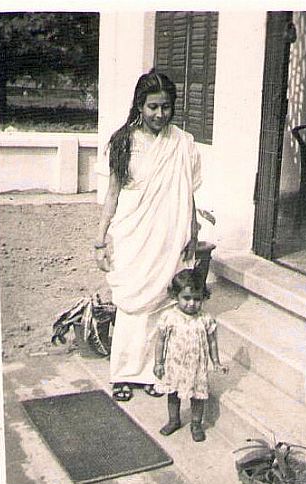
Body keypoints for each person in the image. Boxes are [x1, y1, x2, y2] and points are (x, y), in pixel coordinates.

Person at [95, 69, 201, 402]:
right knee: (131, 302)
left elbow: (190, 193)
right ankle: (124, 374)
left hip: (170, 234)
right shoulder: (123, 141)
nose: (159, 114)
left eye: (166, 107)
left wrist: (193, 234)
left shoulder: (182, 143)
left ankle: (156, 372)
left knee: (162, 302)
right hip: (133, 233)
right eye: (153, 107)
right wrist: (100, 240)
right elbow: (112, 193)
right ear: (140, 106)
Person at [153, 269, 228, 442]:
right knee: (172, 393)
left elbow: (212, 342)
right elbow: (161, 341)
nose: (191, 303)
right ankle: (174, 420)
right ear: (175, 296)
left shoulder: (206, 319)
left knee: (197, 395)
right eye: (186, 298)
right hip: (174, 364)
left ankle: (196, 423)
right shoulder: (169, 317)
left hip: (197, 366)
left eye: (197, 299)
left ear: (203, 297)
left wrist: (216, 362)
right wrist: (159, 362)